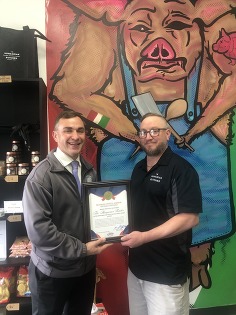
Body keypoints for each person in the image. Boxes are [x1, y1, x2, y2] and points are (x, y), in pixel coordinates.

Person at [22, 110, 111, 315]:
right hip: (52, 273)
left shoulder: (89, 170)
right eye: (68, 130)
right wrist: (82, 249)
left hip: (84, 270)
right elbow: (40, 232)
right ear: (56, 136)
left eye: (80, 130)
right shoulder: (41, 177)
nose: (75, 136)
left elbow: (93, 213)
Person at [121, 113, 202, 315]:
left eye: (154, 131)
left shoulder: (181, 170)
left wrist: (145, 237)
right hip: (136, 268)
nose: (148, 136)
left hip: (165, 272)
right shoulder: (138, 169)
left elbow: (190, 218)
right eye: (144, 132)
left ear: (167, 134)